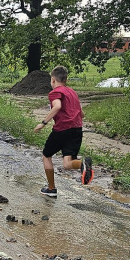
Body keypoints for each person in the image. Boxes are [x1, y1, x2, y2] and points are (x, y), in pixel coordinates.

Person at [33, 65, 93, 198]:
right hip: (77, 129)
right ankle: (83, 163)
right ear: (65, 79)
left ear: (53, 80)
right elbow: (82, 114)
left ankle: (51, 188)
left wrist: (43, 123)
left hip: (62, 129)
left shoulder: (55, 92)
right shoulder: (73, 92)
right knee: (67, 163)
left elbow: (58, 106)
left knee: (46, 156)